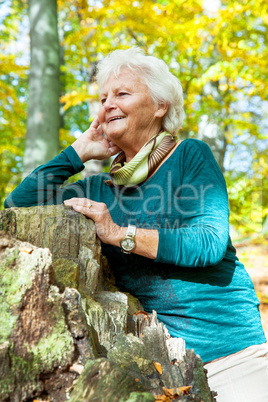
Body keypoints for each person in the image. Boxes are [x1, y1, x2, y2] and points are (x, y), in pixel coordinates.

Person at [4, 47, 268, 401]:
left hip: (232, 354)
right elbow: (17, 206)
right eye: (102, 98)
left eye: (122, 94)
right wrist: (79, 151)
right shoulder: (99, 188)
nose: (107, 104)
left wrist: (118, 234)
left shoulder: (190, 157)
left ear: (160, 106)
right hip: (160, 369)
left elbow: (208, 242)